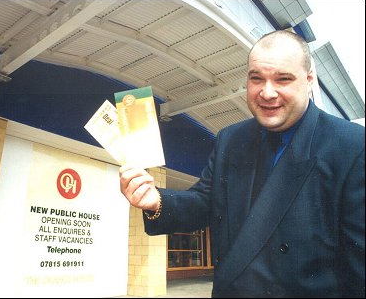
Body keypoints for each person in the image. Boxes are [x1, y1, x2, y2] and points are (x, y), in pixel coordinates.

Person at [119, 30, 365, 298]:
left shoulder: (352, 146)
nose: (267, 93)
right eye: (256, 79)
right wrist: (156, 201)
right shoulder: (230, 138)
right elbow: (205, 202)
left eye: (283, 79)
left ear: (308, 80)